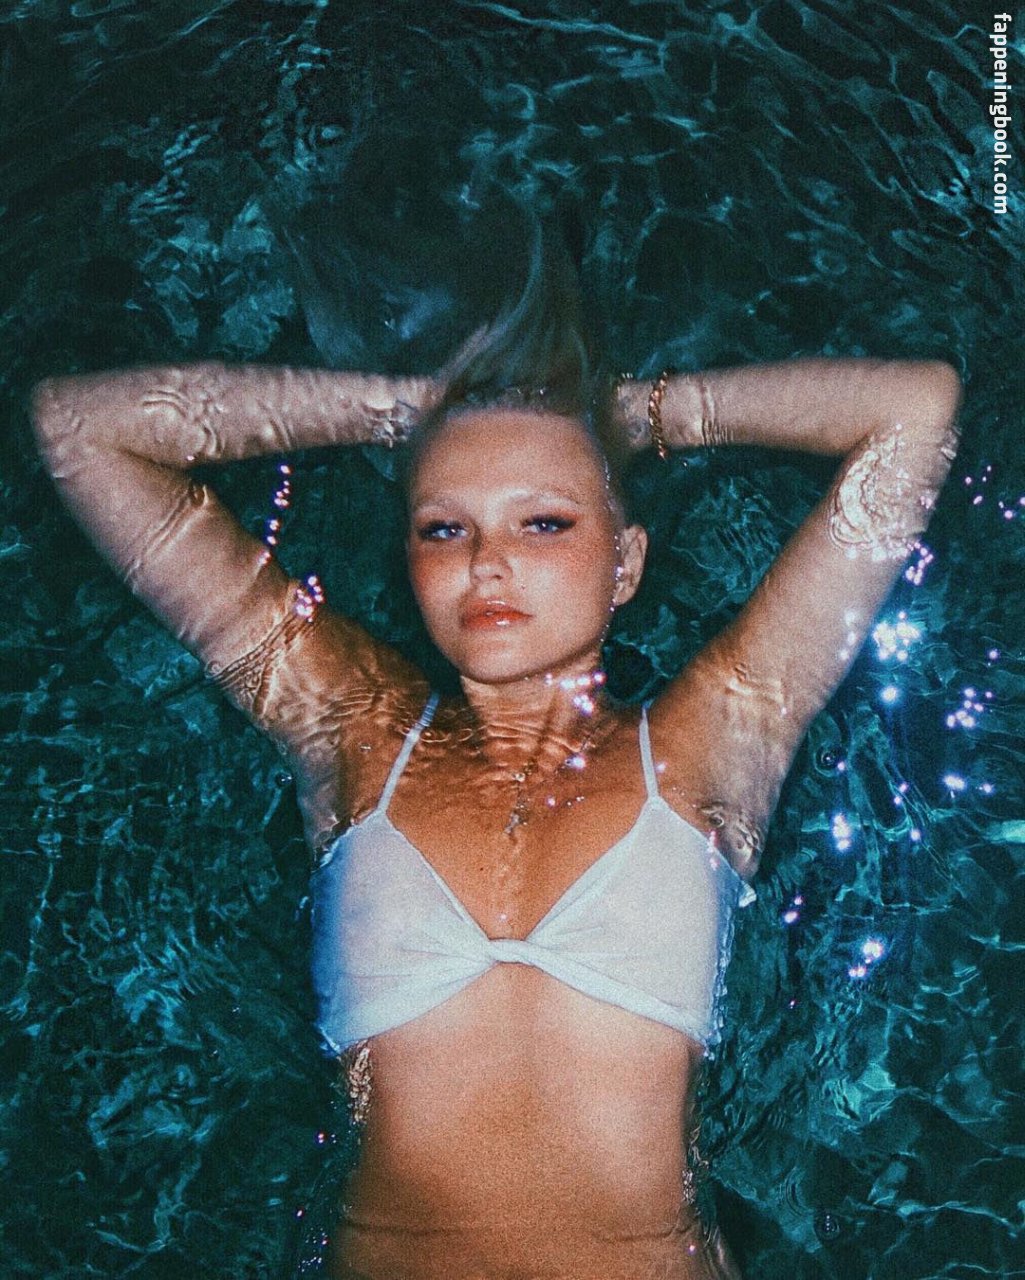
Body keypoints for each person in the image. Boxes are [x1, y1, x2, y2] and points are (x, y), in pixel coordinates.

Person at [30, 220, 962, 1279]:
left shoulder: (712, 737)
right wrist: (412, 415)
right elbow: (81, 429)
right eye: (444, 526)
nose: (486, 562)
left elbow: (912, 410)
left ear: (625, 563)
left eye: (545, 523)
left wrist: (637, 418)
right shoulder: (350, 731)